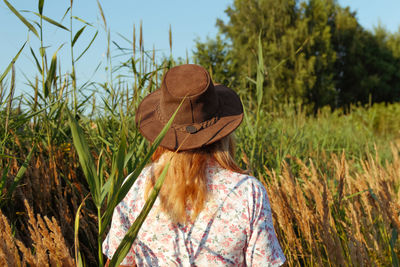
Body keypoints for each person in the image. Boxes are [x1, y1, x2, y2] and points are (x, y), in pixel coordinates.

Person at [102, 64, 286, 266]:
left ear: (161, 132)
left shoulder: (134, 187)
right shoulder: (247, 192)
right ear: (222, 132)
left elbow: (119, 263)